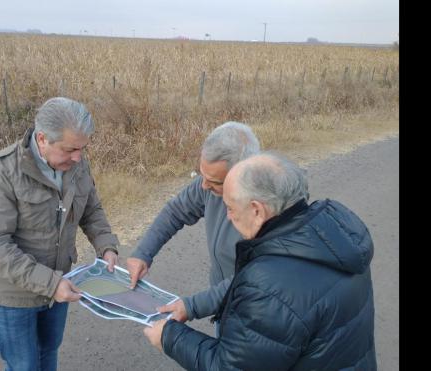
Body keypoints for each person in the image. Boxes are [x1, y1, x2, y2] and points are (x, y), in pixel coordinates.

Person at [143, 152, 377, 370]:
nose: (227, 216)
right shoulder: (334, 237)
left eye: (230, 207)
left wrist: (169, 337)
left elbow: (231, 366)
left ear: (257, 210)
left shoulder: (267, 284)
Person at [0, 97, 120, 371]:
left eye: (82, 148)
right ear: (42, 139)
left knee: (48, 354)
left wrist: (106, 246)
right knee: (24, 366)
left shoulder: (77, 166)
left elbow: (92, 210)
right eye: (70, 149)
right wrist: (51, 284)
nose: (78, 157)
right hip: (13, 297)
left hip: (58, 288)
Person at [126, 121, 260, 328]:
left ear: (244, 175)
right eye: (201, 175)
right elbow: (176, 211)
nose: (204, 186)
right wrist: (143, 253)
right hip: (225, 307)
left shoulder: (268, 210)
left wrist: (191, 306)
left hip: (257, 311)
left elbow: (251, 279)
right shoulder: (209, 184)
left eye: (214, 181)